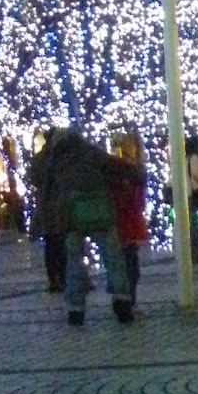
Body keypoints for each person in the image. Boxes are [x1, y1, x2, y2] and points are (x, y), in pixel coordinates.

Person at [46, 127, 131, 324]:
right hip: (99, 210)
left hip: (71, 217)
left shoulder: (57, 160)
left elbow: (46, 185)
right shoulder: (91, 153)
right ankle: (122, 302)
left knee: (74, 262)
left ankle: (75, 309)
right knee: (112, 257)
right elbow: (119, 168)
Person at [26, 131, 68, 293]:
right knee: (62, 243)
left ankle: (54, 279)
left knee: (51, 244)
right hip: (61, 205)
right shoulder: (61, 158)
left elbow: (34, 180)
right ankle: (63, 277)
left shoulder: (39, 158)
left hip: (46, 205)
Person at [107, 150, 147, 303]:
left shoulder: (114, 187)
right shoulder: (133, 186)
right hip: (128, 231)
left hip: (120, 230)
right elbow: (138, 205)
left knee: (124, 266)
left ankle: (124, 298)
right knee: (131, 267)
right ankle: (127, 299)